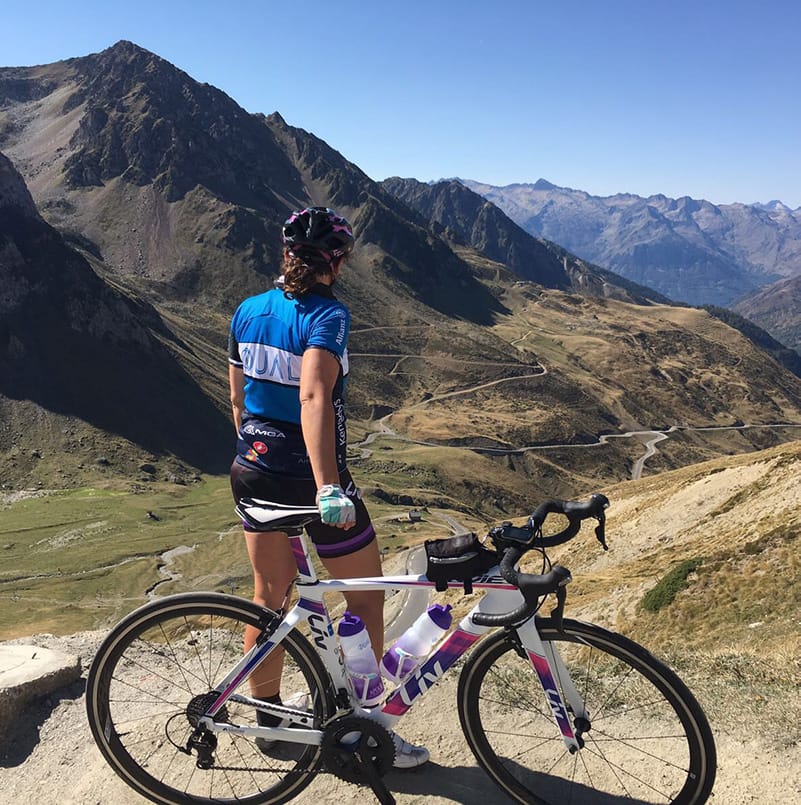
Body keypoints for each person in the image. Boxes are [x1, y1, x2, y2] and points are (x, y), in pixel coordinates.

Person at [228, 206, 429, 768]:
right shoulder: (328, 315)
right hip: (309, 481)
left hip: (253, 470)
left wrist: (255, 458)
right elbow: (314, 396)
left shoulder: (246, 311)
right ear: (334, 263)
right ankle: (365, 727)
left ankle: (268, 723)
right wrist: (326, 487)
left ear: (285, 253)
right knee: (365, 595)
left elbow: (238, 401)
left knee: (269, 596)